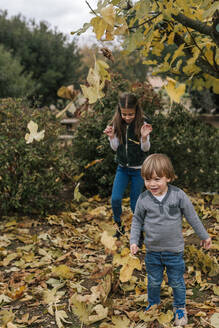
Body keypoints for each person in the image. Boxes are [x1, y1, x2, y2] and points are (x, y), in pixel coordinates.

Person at [130, 153, 211, 326]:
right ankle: (153, 303)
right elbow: (136, 220)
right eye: (147, 179)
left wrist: (204, 235)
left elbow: (192, 217)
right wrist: (134, 241)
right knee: (153, 281)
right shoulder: (143, 199)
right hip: (152, 252)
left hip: (174, 252)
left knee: (177, 282)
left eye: (157, 179)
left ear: (168, 177)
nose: (152, 184)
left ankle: (180, 307)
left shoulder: (178, 196)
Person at [104, 92, 152, 239]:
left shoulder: (143, 123)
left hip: (138, 169)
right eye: (124, 114)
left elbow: (146, 149)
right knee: (115, 199)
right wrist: (112, 137)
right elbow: (115, 147)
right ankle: (119, 227)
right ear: (119, 111)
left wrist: (144, 138)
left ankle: (140, 232)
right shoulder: (116, 123)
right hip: (122, 168)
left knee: (135, 203)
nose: (127, 117)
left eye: (130, 114)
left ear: (136, 110)